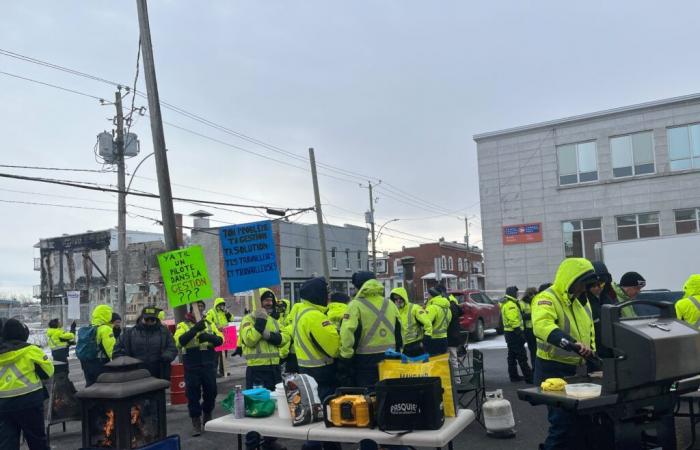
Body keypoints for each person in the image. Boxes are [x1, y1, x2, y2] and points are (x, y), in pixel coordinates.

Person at [532, 258, 598, 450]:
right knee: (562, 425)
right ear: (571, 279)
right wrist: (568, 342)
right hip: (551, 369)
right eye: (582, 284)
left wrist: (593, 359)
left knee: (581, 424)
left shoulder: (581, 304)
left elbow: (590, 334)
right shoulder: (547, 298)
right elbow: (542, 325)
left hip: (577, 370)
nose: (584, 289)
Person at [288, 277, 341, 450]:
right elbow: (334, 348)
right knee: (328, 423)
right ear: (317, 295)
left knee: (313, 422)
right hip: (323, 375)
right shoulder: (315, 316)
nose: (328, 297)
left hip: (306, 373)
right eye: (326, 293)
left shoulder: (301, 313)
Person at [240, 288, 289, 450]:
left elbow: (284, 339)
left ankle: (270, 441)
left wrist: (268, 334)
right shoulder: (248, 319)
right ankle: (252, 445)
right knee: (256, 407)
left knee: (273, 405)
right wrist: (259, 324)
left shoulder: (274, 320)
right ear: (257, 302)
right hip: (257, 371)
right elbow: (249, 340)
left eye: (270, 300)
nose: (269, 303)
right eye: (265, 300)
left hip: (274, 368)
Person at [338, 271, 402, 388]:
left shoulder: (355, 305)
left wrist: (345, 358)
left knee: (367, 398)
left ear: (358, 287)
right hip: (390, 357)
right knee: (389, 394)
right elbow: (399, 330)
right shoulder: (389, 303)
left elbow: (347, 333)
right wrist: (398, 351)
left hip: (365, 360)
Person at [0, 319, 55, 450]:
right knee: (37, 441)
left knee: (7, 443)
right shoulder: (31, 350)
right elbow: (48, 372)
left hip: (3, 405)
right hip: (29, 402)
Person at [174, 304, 223, 437]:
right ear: (191, 310)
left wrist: (209, 337)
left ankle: (207, 413)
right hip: (192, 363)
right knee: (193, 394)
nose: (200, 308)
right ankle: (196, 420)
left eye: (202, 306)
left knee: (211, 391)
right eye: (198, 306)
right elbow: (179, 341)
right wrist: (195, 329)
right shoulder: (183, 325)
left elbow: (220, 340)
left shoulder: (209, 323)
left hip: (208, 362)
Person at [113, 306, 177, 380]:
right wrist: (128, 363)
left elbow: (172, 348)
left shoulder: (164, 332)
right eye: (147, 319)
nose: (149, 321)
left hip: (159, 374)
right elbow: (117, 351)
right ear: (142, 318)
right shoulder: (129, 333)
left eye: (152, 319)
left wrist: (166, 356)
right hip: (136, 375)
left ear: (156, 319)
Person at [79, 304, 116, 387]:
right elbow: (111, 349)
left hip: (86, 362)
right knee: (103, 386)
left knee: (90, 384)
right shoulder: (105, 329)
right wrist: (118, 361)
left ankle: (88, 399)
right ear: (107, 315)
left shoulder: (90, 328)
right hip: (100, 362)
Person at [501, 286, 532, 383]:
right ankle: (529, 377)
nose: (517, 294)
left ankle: (514, 376)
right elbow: (513, 320)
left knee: (512, 356)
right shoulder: (511, 304)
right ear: (512, 293)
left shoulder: (508, 303)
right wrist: (520, 333)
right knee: (521, 356)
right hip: (514, 333)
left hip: (510, 334)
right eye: (516, 293)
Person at [390, 287, 432, 357]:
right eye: (395, 299)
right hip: (402, 347)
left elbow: (428, 324)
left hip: (416, 345)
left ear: (404, 297)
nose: (398, 301)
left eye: (400, 298)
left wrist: (425, 340)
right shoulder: (394, 311)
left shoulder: (414, 308)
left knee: (418, 366)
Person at [587, 262, 615, 352]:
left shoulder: (609, 298)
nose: (597, 288)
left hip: (611, 350)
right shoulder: (583, 302)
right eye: (593, 285)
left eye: (601, 284)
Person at [206, 298, 232, 377]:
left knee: (224, 355)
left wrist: (227, 313)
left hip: (226, 335)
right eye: (220, 304)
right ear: (217, 305)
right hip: (216, 335)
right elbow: (207, 321)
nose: (222, 306)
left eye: (223, 304)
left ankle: (223, 371)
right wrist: (216, 328)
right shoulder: (211, 312)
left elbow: (232, 319)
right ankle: (214, 372)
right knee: (215, 355)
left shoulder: (224, 312)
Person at [423, 286, 451, 356]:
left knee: (432, 364)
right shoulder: (448, 309)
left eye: (428, 294)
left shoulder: (432, 308)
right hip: (444, 339)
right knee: (442, 364)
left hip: (432, 340)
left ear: (432, 295)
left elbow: (424, 322)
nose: (427, 296)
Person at [520, 287, 538, 369]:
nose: (534, 296)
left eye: (535, 294)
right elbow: (520, 316)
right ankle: (535, 367)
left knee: (539, 351)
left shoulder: (536, 301)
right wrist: (532, 315)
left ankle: (538, 367)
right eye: (532, 294)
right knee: (533, 350)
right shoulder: (522, 303)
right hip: (528, 330)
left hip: (537, 329)